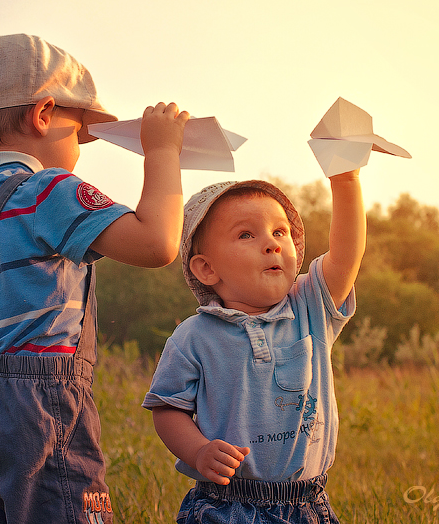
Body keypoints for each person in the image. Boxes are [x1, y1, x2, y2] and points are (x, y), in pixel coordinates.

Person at [0, 33, 189, 524]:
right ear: (42, 115)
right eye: (78, 132)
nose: (81, 149)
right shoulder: (48, 191)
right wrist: (162, 152)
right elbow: (157, 244)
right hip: (42, 410)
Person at [142, 168, 366, 523]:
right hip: (226, 504)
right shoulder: (194, 336)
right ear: (206, 268)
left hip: (306, 502)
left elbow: (346, 256)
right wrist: (199, 451)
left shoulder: (310, 307)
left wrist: (346, 179)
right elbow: (168, 408)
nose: (272, 242)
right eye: (246, 234)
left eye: (281, 232)